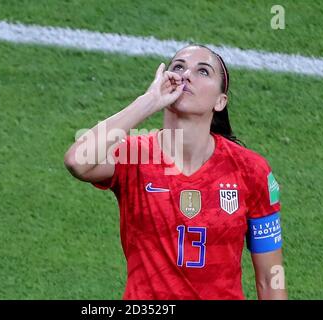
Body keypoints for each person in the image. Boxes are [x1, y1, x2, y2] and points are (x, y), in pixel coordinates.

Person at [64, 44, 287, 300]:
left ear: (220, 101)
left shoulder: (250, 170)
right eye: (178, 67)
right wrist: (148, 102)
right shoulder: (134, 155)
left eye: (203, 71)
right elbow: (76, 160)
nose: (186, 75)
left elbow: (271, 280)